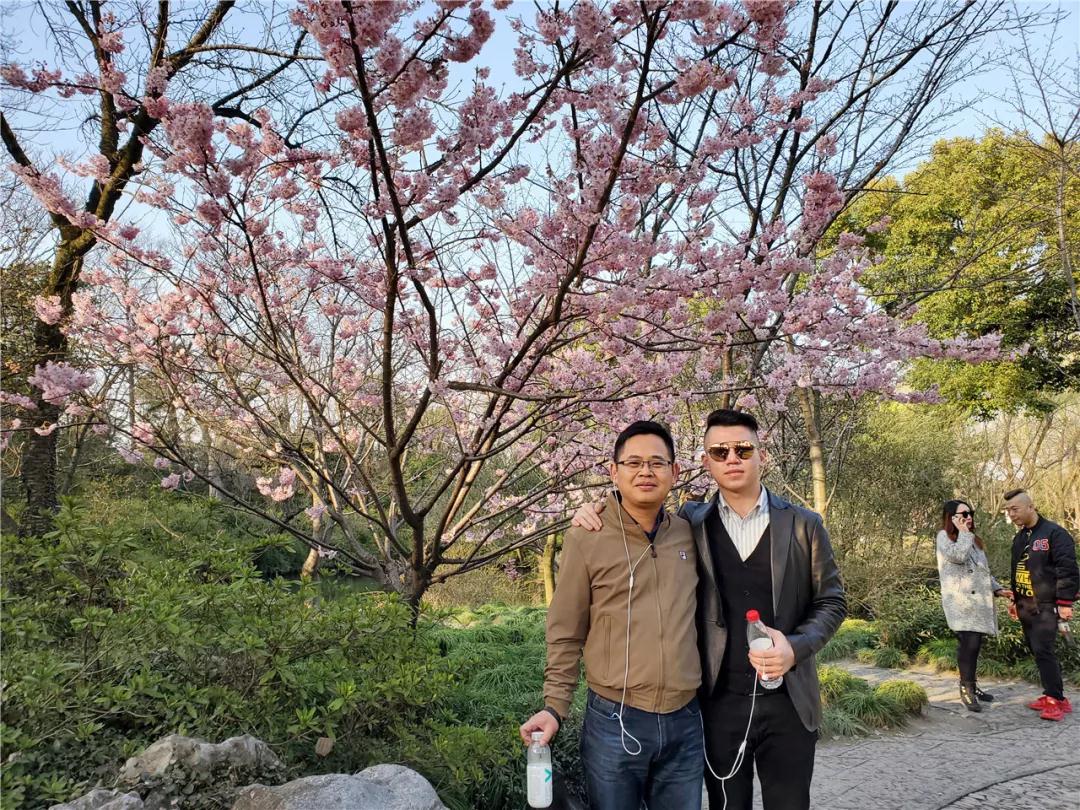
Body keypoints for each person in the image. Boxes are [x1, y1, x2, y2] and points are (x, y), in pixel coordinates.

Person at [571, 409, 845, 810]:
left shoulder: (804, 525)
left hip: (789, 701)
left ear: (762, 454)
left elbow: (832, 600)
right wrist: (598, 508)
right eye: (719, 452)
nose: (732, 458)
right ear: (705, 462)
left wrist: (796, 647)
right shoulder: (691, 523)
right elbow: (637, 518)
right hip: (718, 705)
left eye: (743, 449)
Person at [519, 420, 703, 810]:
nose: (645, 471)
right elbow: (566, 630)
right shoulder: (587, 536)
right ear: (613, 471)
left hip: (685, 720)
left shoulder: (691, 533)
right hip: (614, 721)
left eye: (657, 462)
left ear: (675, 471)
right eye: (633, 462)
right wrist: (555, 706)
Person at [1003, 488, 1079, 722]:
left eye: (1015, 509)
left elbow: (1068, 569)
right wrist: (1015, 600)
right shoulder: (1020, 538)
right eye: (1008, 511)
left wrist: (1065, 603)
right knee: (1037, 650)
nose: (1011, 514)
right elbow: (1017, 571)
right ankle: (1053, 695)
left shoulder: (1055, 534)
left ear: (1031, 507)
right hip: (1025, 604)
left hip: (1047, 605)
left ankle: (1056, 700)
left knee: (1044, 650)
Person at [935, 499, 1012, 712]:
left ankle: (972, 686)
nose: (968, 518)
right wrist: (963, 533)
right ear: (951, 518)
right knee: (968, 646)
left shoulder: (973, 539)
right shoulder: (943, 536)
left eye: (970, 514)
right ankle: (966, 690)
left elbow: (982, 570)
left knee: (975, 646)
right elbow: (958, 556)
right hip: (961, 603)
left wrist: (998, 589)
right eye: (963, 514)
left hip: (978, 602)